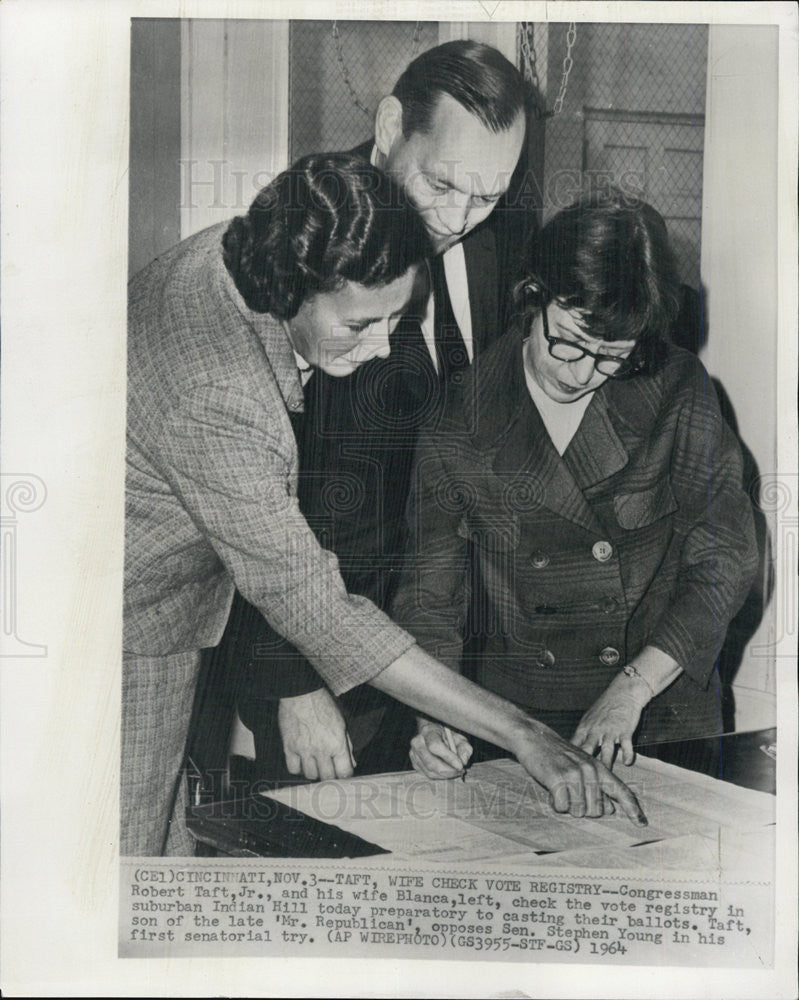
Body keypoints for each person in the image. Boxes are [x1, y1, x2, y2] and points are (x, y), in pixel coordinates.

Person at [124, 154, 645, 856]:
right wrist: (527, 735)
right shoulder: (222, 397)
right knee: (117, 869)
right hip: (116, 628)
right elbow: (321, 612)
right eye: (360, 325)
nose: (379, 349)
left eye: (397, 318)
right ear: (292, 288)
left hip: (158, 606)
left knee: (158, 858)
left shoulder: (243, 248)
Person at [199, 39, 535, 784]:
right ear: (389, 130)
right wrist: (290, 683)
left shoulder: (498, 238)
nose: (459, 218)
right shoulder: (303, 234)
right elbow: (244, 499)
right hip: (304, 653)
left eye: (487, 196)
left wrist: (444, 685)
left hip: (436, 649)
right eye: (442, 184)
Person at [390, 191, 759, 780]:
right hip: (518, 722)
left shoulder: (677, 389)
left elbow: (726, 558)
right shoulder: (458, 419)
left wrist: (631, 690)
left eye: (611, 356)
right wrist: (435, 719)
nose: (582, 374)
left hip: (660, 710)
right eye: (566, 342)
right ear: (532, 296)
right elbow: (430, 600)